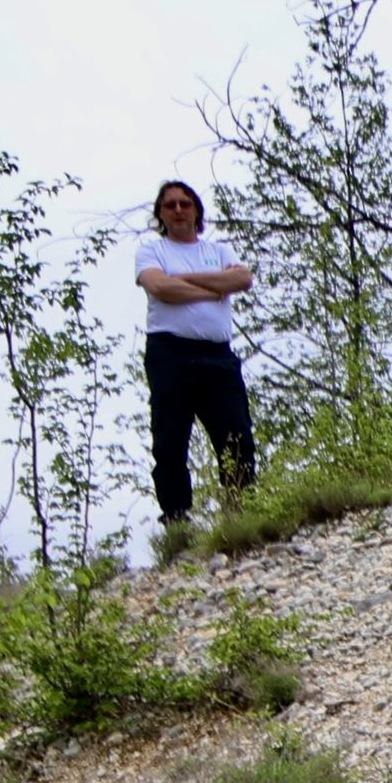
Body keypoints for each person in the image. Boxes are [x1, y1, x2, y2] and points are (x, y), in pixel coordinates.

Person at [133, 179, 256, 527]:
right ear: (160, 213)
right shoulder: (151, 251)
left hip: (217, 354)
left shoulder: (219, 251)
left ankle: (241, 515)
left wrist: (183, 280)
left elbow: (242, 280)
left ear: (196, 210)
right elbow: (160, 286)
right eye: (170, 204)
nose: (178, 210)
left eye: (184, 203)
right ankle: (176, 521)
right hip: (170, 353)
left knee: (236, 436)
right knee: (170, 439)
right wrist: (215, 288)